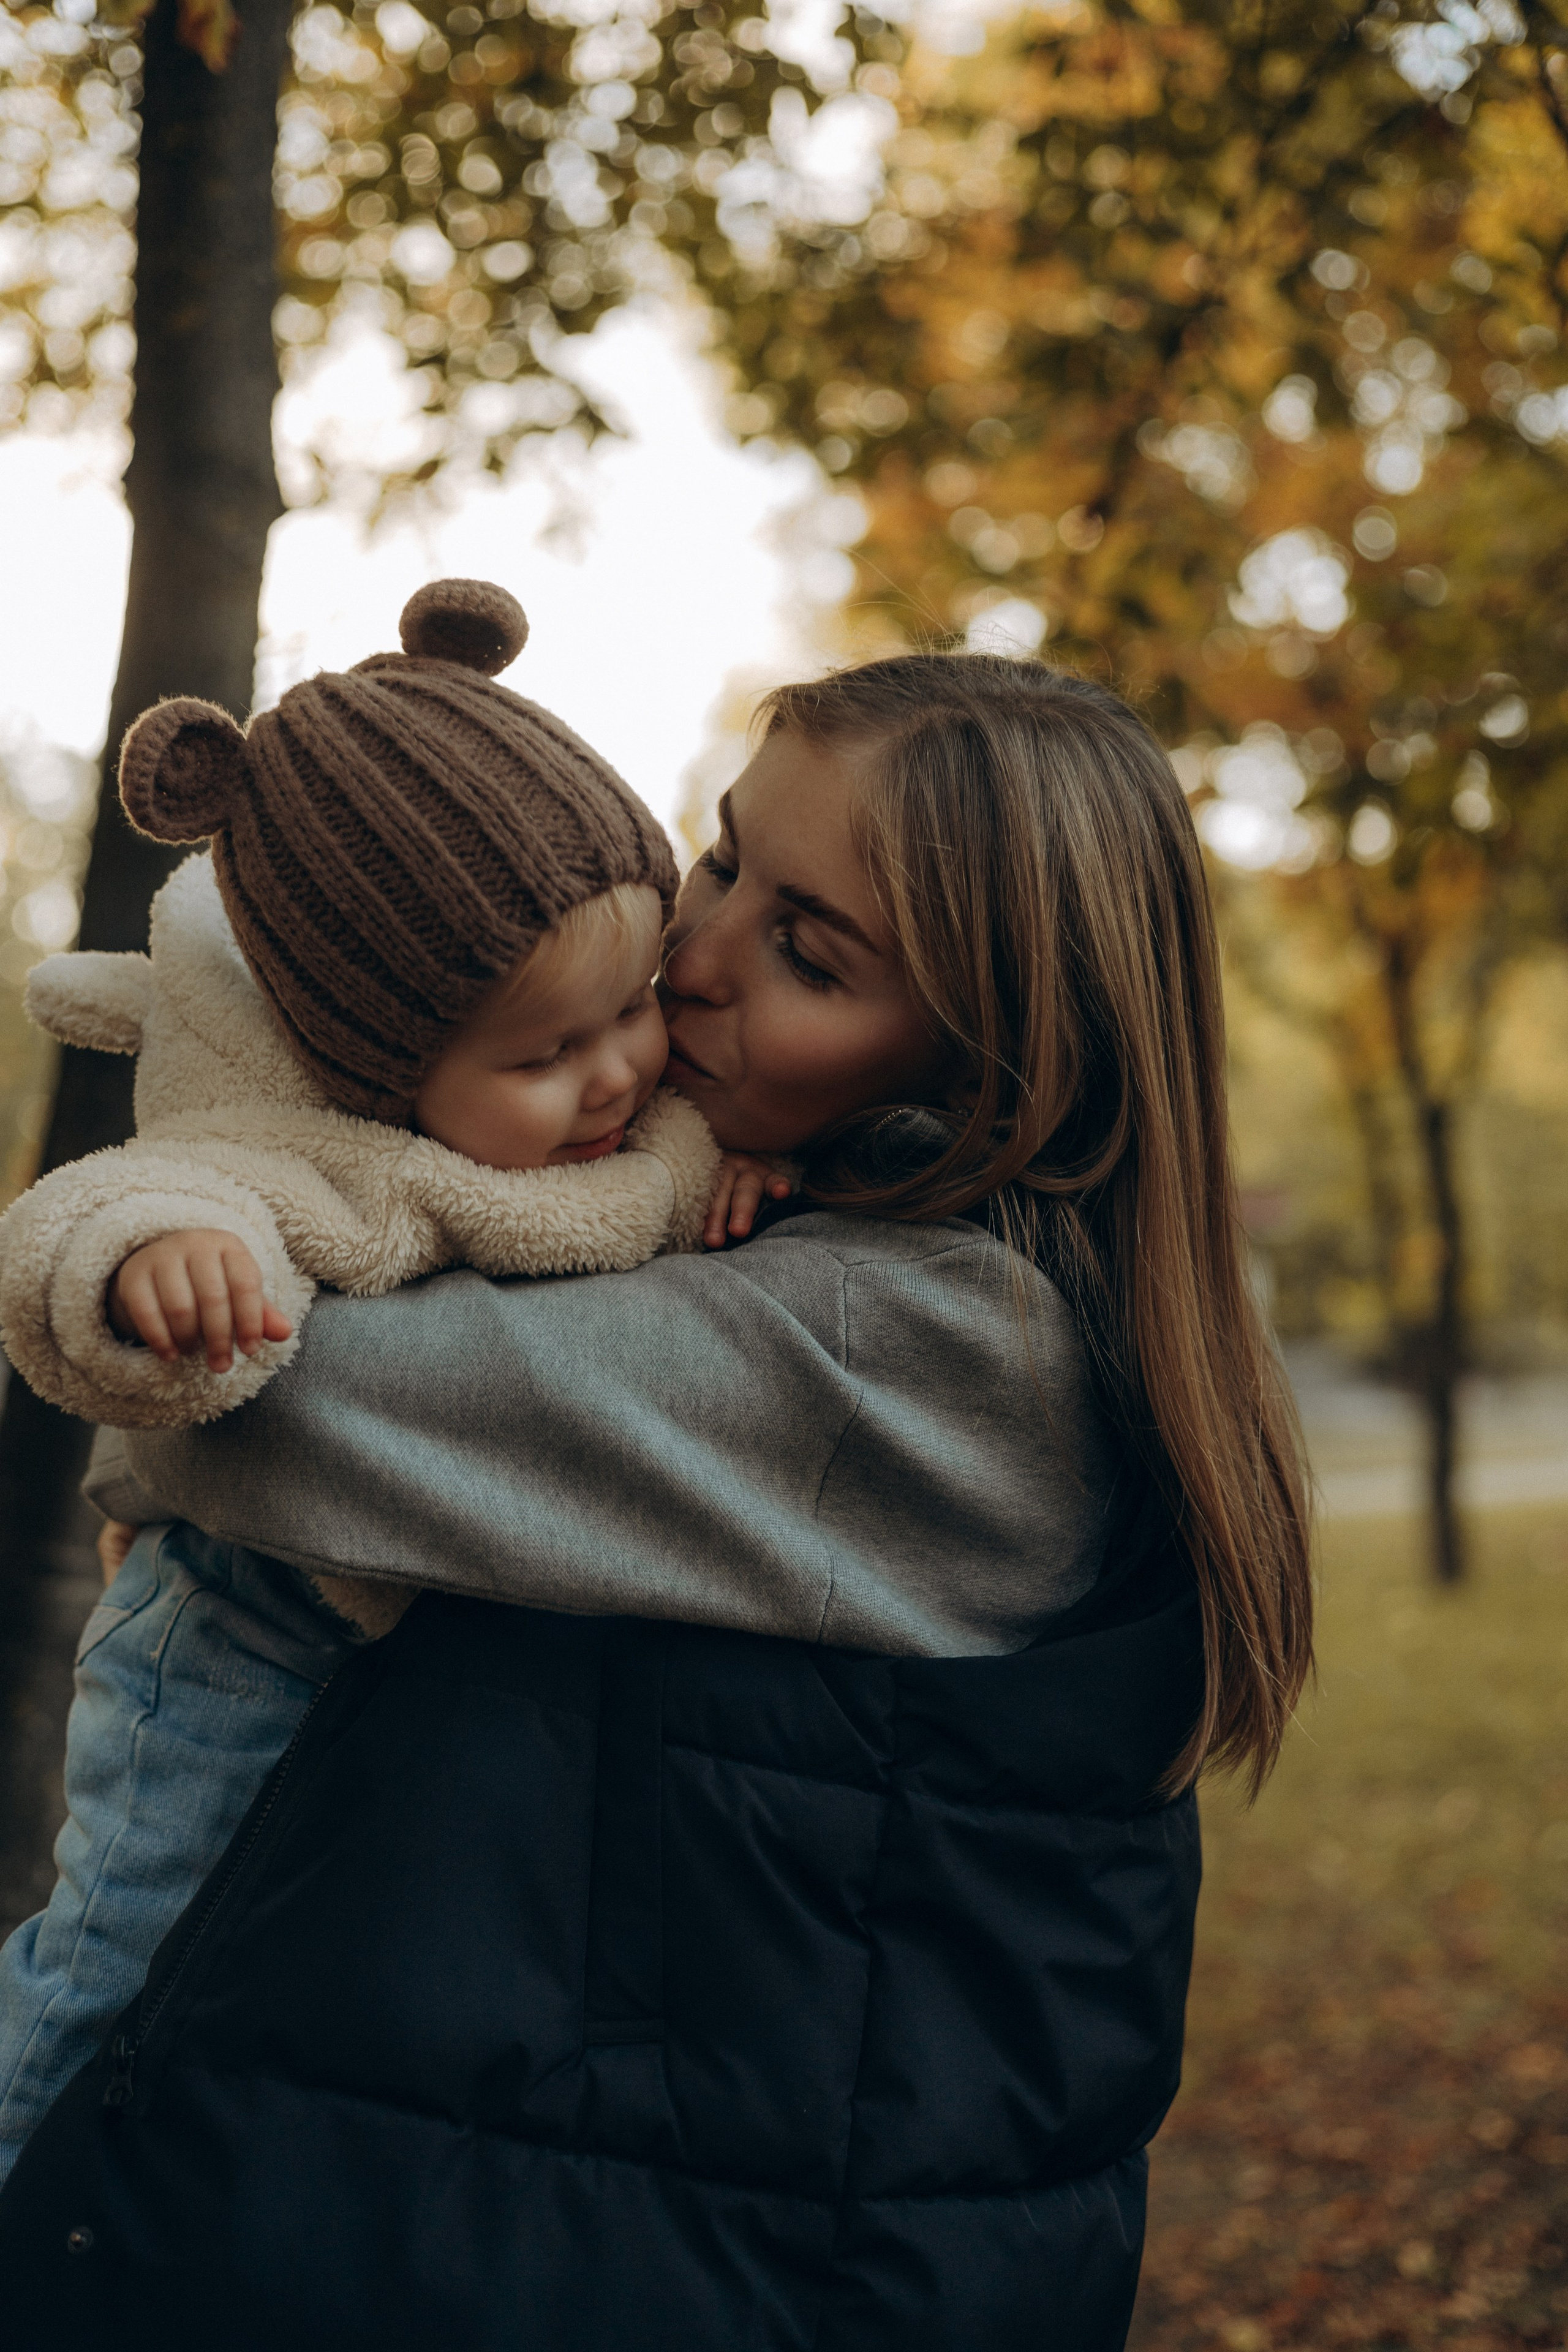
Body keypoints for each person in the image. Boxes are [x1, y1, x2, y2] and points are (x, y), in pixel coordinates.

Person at [0, 652, 1313, 2352]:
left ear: (1001, 1066)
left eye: (808, 953)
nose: (689, 957)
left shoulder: (929, 1348)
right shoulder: (844, 1224)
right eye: (721, 860)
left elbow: (250, 1414)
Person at [0, 576, 776, 2185]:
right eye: (545, 1054)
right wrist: (161, 1264)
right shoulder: (341, 1166)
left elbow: (694, 1146)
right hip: (236, 1631)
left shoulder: (655, 1125)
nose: (618, 1074)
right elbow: (141, 1193)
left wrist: (749, 1177)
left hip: (434, 1666)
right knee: (115, 1954)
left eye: (632, 1009)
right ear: (380, 1063)